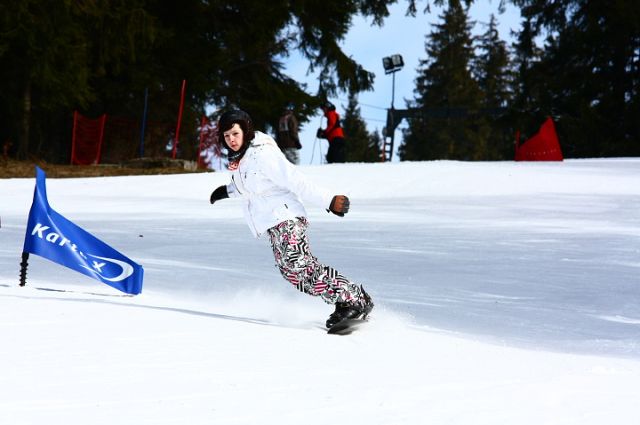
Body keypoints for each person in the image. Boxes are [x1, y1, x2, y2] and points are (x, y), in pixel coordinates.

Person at [209, 109, 373, 328]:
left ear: (245, 131)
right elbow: (247, 188)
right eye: (227, 136)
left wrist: (329, 200)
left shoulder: (262, 155)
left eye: (235, 134)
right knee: (293, 273)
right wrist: (225, 192)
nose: (231, 140)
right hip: (273, 223)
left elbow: (296, 180)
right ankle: (343, 301)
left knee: (299, 265)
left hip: (286, 217)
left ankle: (354, 300)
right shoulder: (242, 161)